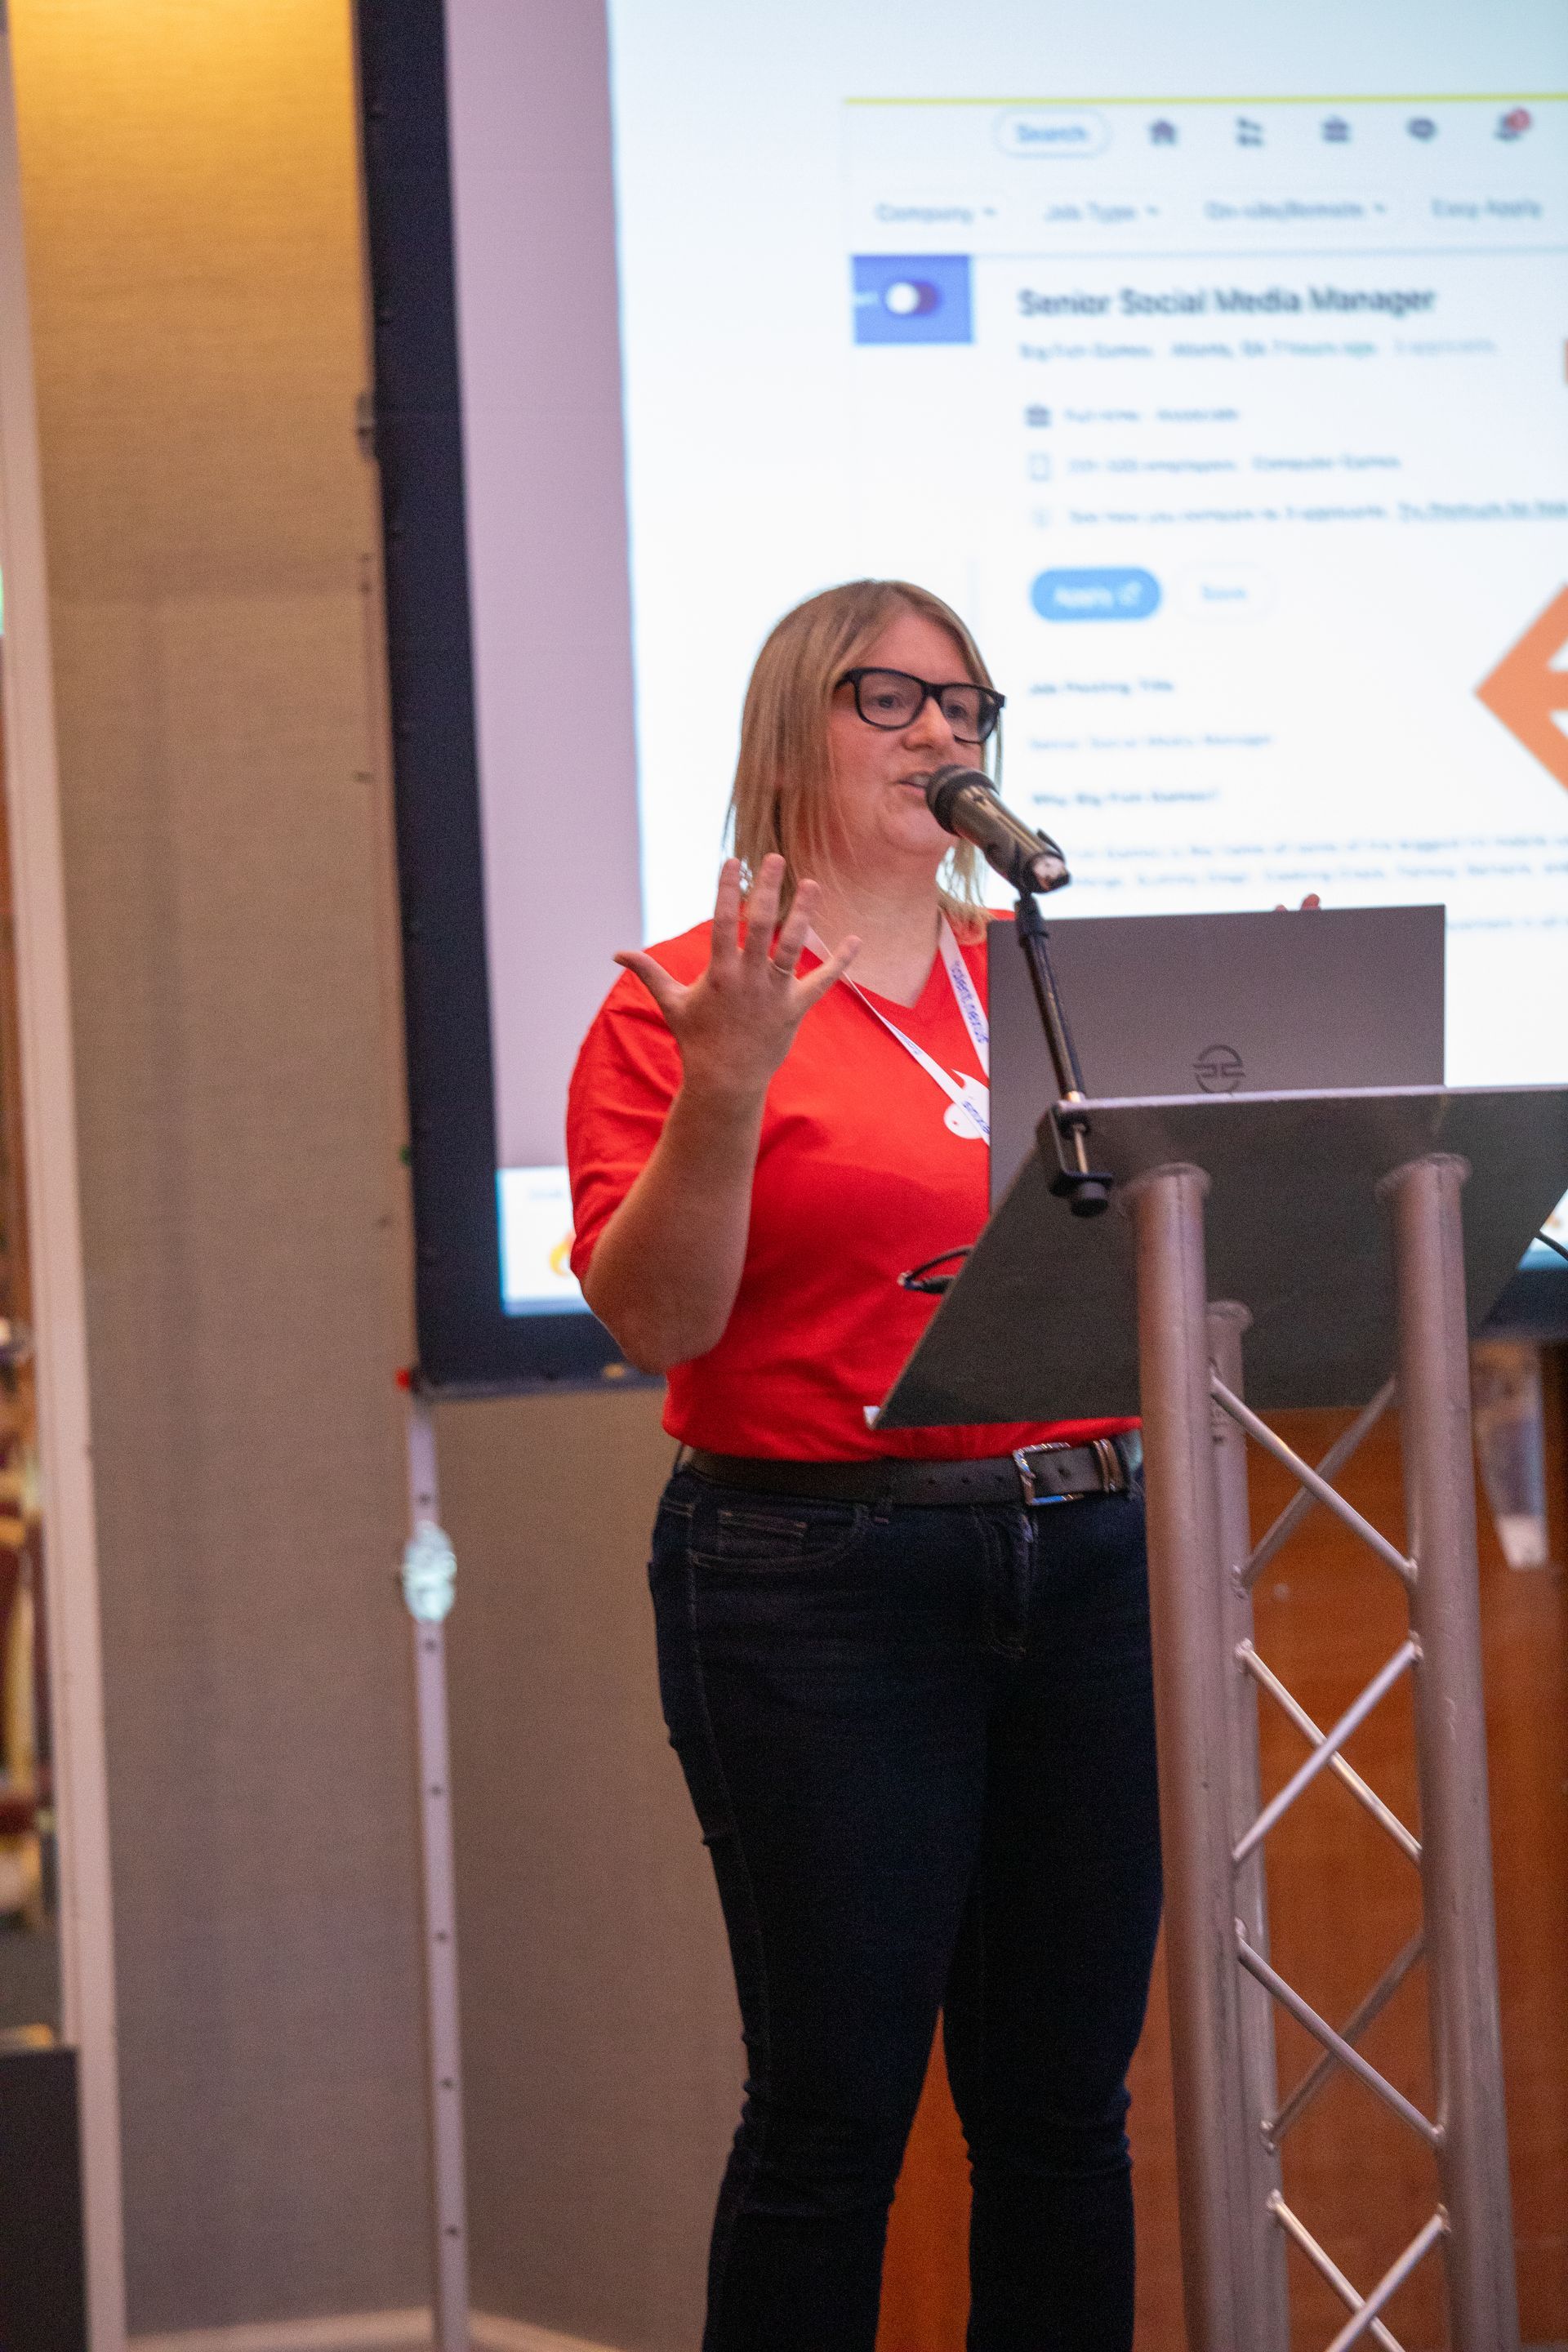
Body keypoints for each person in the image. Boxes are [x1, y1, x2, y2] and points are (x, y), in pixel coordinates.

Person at [567, 579, 1161, 2352]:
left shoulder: (1050, 990)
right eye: (888, 698)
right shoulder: (682, 998)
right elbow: (657, 1322)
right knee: (835, 2120)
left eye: (969, 708)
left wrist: (1275, 1054)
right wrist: (728, 1093)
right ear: (787, 731)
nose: (942, 734)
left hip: (1091, 1559)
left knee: (1063, 2116)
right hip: (819, 1583)